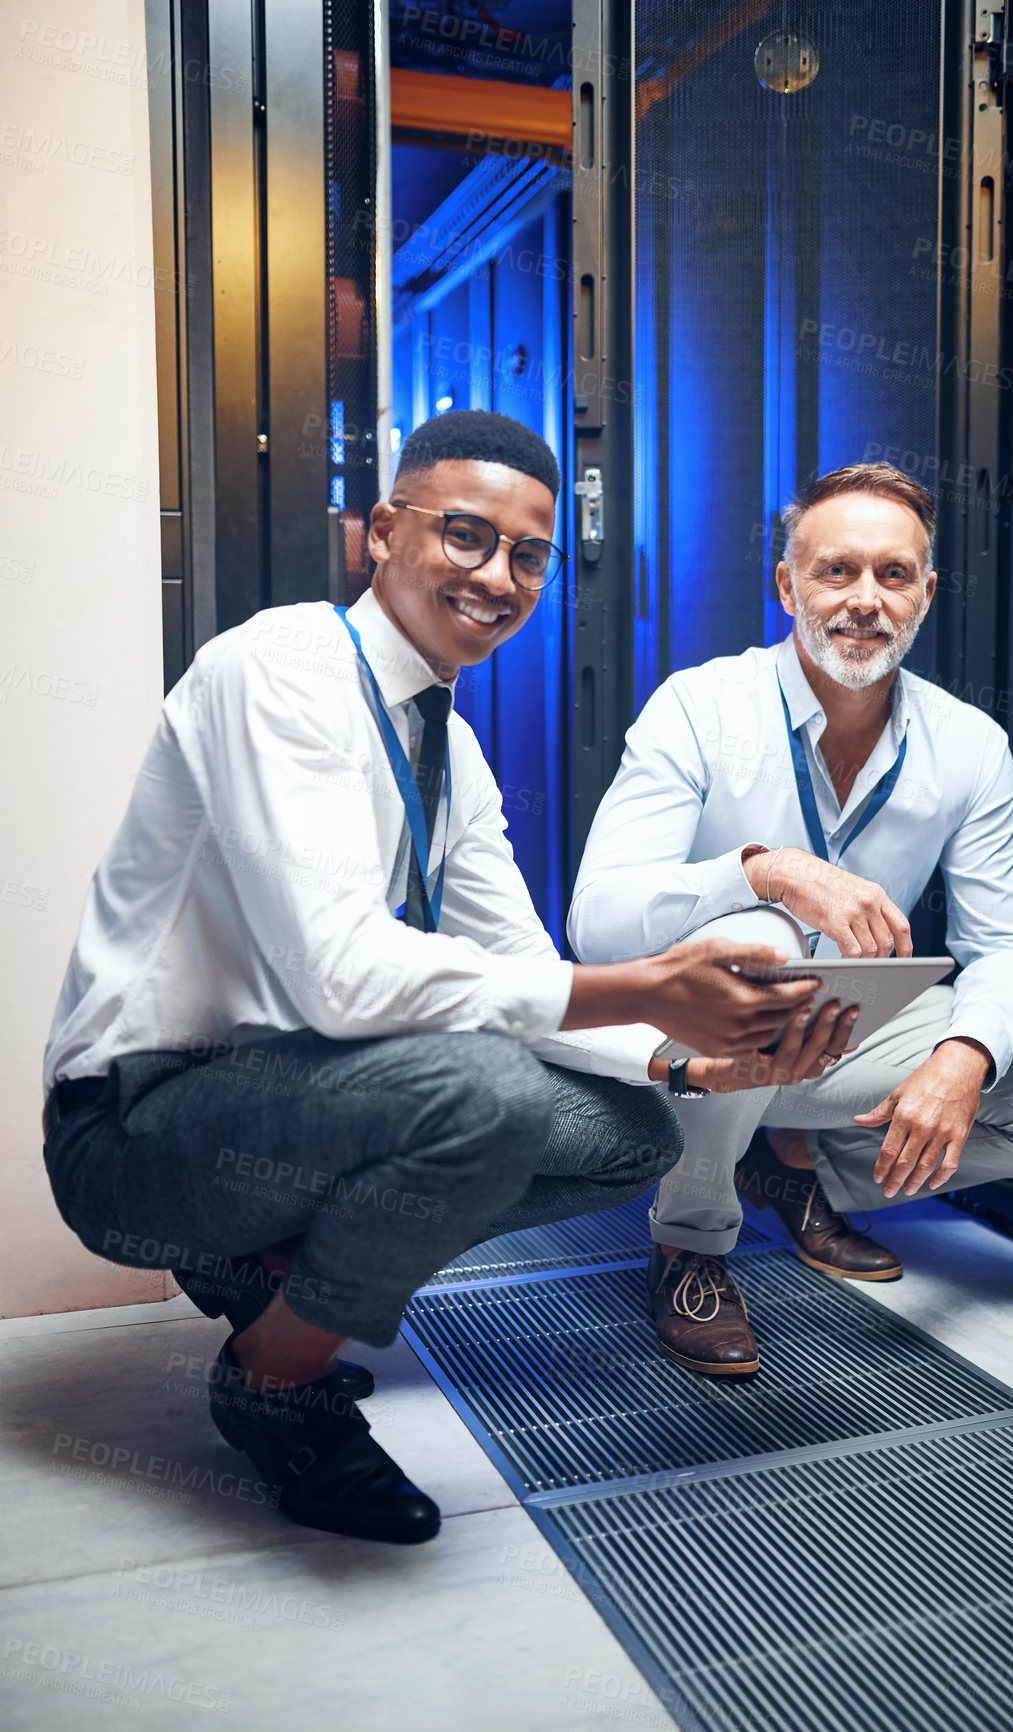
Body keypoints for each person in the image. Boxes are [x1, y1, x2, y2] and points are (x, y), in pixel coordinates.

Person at [41, 410, 847, 1545]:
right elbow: (341, 982)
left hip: (289, 1101)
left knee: (632, 1132)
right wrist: (647, 986)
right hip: (135, 1128)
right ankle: (276, 1378)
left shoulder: (447, 750)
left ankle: (270, 1267)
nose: (497, 577)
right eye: (464, 536)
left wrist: (692, 1059)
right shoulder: (277, 669)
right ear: (381, 531)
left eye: (528, 554)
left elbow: (515, 968)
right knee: (487, 1092)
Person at [569, 461, 1013, 1377]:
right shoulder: (699, 707)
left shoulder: (969, 745)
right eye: (837, 571)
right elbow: (596, 921)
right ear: (787, 583)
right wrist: (767, 871)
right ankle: (692, 1237)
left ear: (926, 594)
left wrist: (965, 1057)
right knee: (766, 941)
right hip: (690, 1046)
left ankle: (793, 1165)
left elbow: (1010, 943)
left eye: (894, 575)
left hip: (851, 1038)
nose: (865, 599)